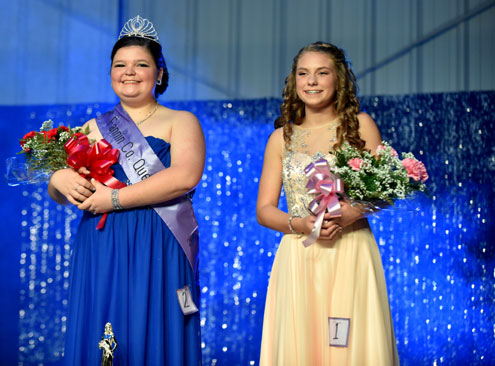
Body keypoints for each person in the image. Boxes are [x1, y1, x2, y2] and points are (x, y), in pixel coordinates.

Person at [48, 15, 205, 365]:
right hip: (103, 241)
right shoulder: (92, 126)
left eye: (141, 65)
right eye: (120, 65)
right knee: (106, 330)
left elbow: (184, 177)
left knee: (158, 324)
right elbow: (67, 189)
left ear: (159, 74)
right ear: (110, 73)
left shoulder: (182, 121)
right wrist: (57, 180)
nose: (129, 72)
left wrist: (113, 198)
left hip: (160, 239)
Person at [257, 41, 400, 365]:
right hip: (299, 254)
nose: (311, 81)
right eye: (303, 73)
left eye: (322, 73)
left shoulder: (360, 126)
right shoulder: (281, 138)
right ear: (294, 82)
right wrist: (300, 225)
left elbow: (385, 188)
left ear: (339, 80)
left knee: (350, 348)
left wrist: (350, 213)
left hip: (350, 249)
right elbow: (264, 210)